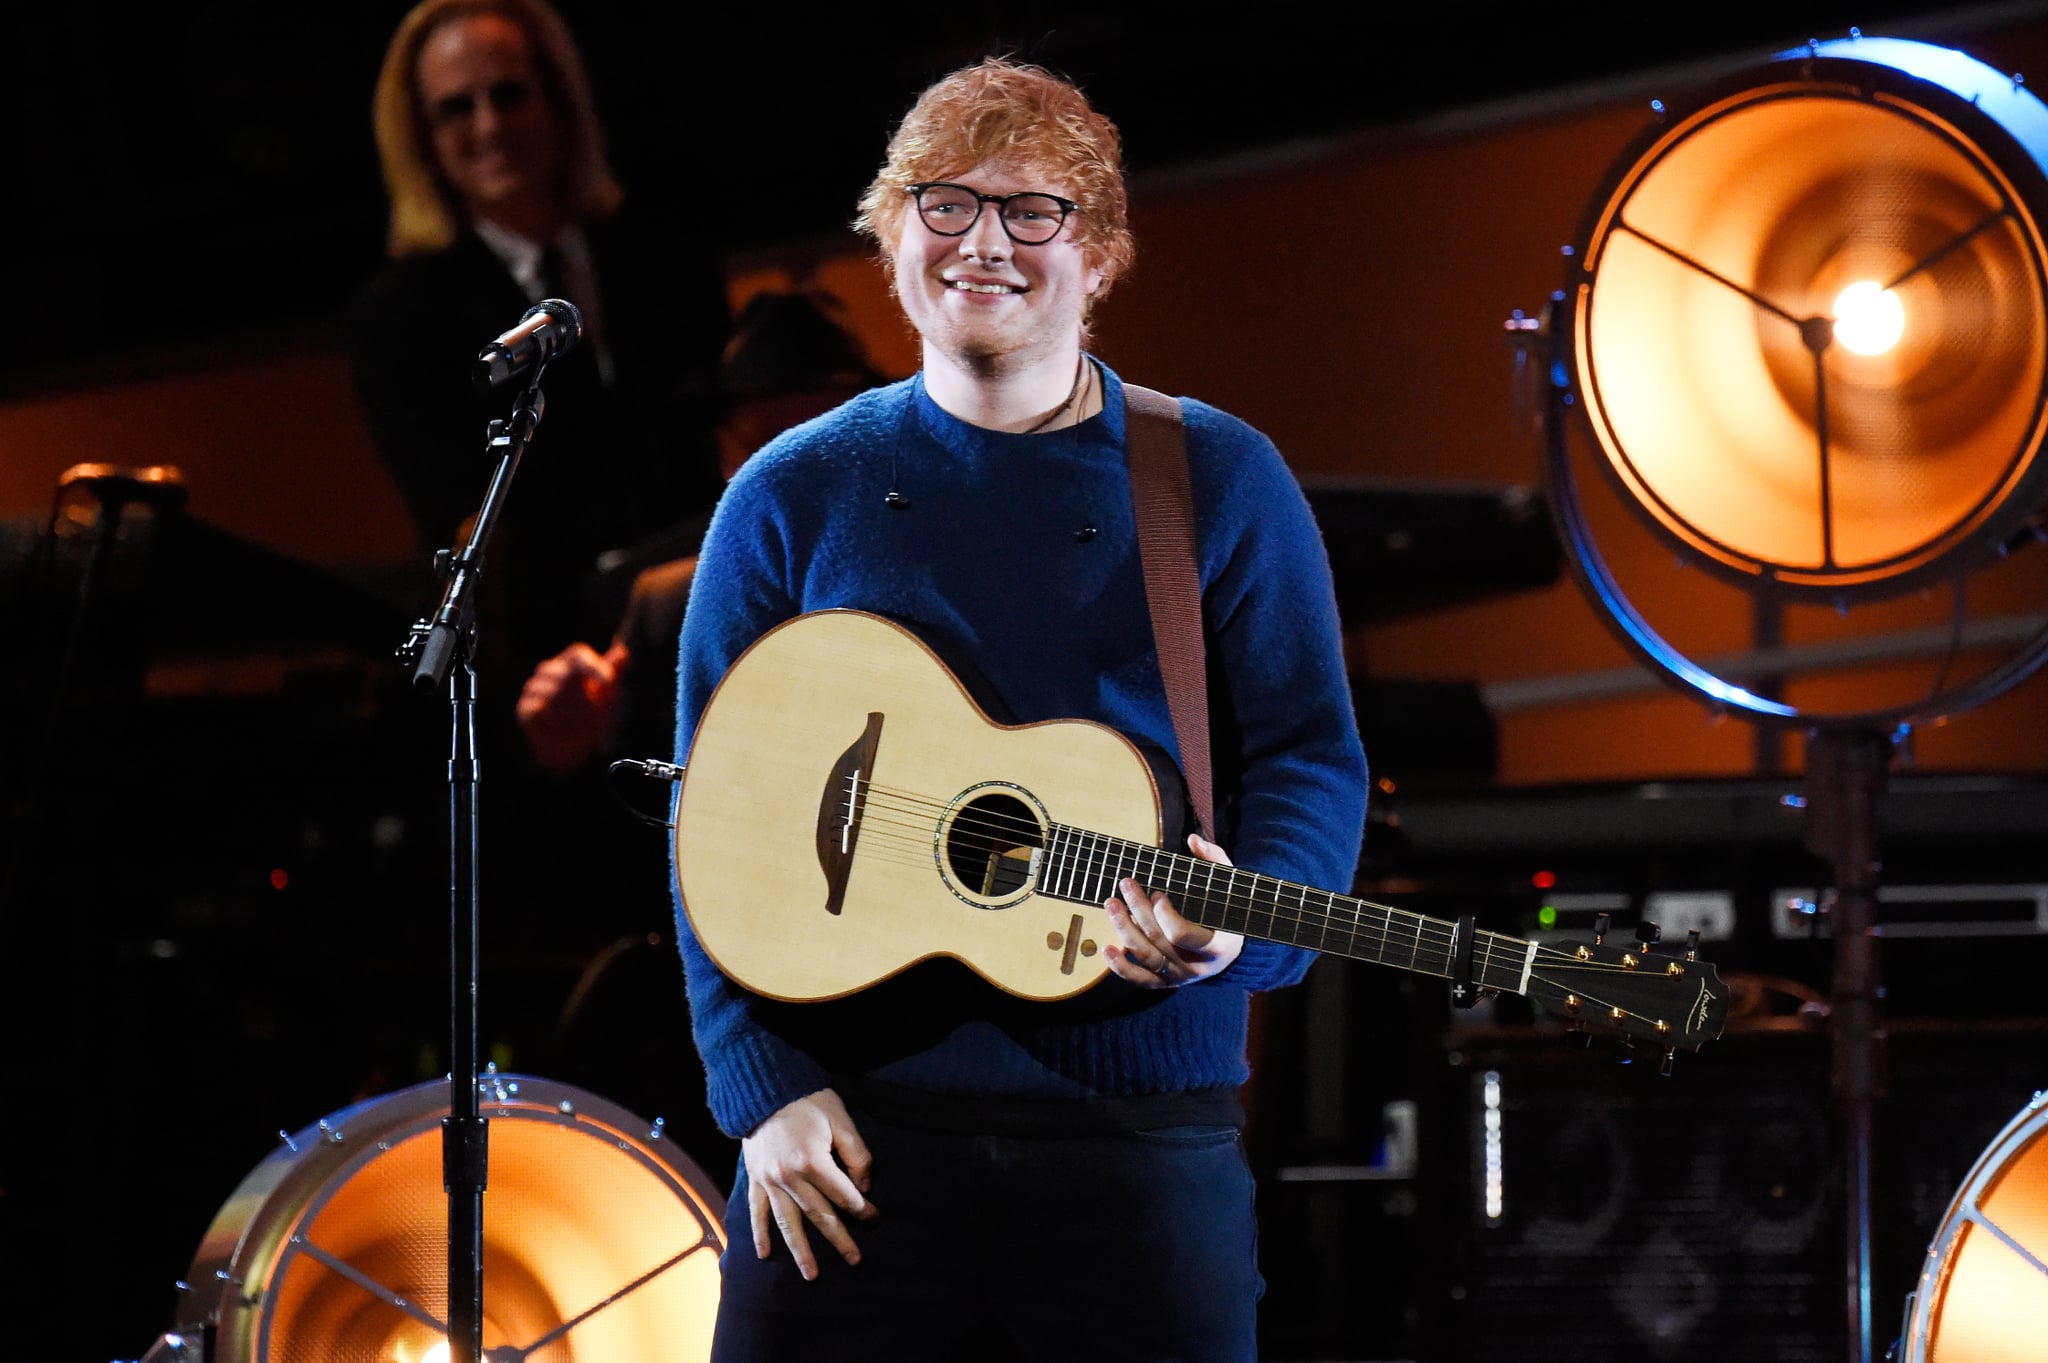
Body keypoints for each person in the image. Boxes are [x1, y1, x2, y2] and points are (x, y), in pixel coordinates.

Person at [672, 59, 1369, 1362]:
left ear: (1098, 255)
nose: (983, 241)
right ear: (893, 240)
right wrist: (759, 1086)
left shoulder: (1216, 476)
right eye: (945, 204)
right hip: (849, 1138)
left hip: (1142, 1145)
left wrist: (1241, 928)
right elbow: (713, 814)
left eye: (1031, 210)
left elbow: (1309, 756)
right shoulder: (789, 494)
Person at [346, 0, 729, 670]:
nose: (490, 126)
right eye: (456, 108)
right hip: (555, 665)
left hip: (723, 611)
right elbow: (469, 529)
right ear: (424, 140)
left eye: (509, 94)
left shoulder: (665, 254)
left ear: (558, 101)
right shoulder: (399, 317)